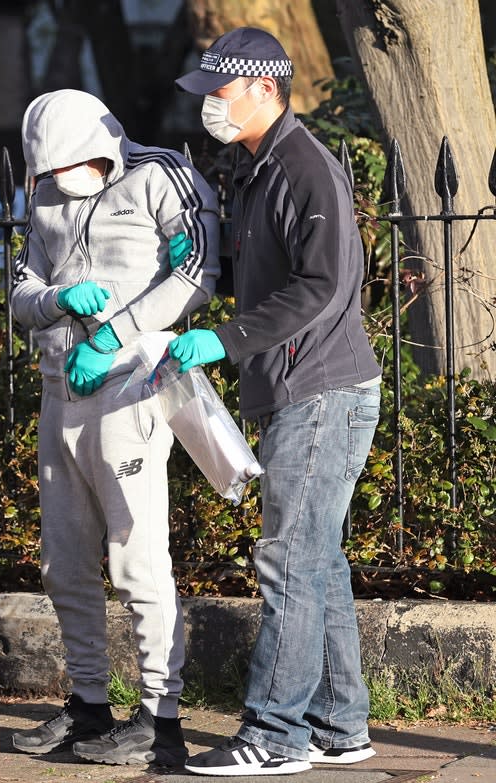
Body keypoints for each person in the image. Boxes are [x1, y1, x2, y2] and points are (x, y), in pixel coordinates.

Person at [170, 27, 382, 776]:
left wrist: (223, 339)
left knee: (289, 561)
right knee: (315, 560)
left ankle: (275, 734)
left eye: (219, 93)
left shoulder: (303, 165)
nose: (209, 108)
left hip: (321, 389)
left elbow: (322, 284)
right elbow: (271, 274)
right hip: (309, 388)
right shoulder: (258, 167)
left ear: (265, 88)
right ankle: (338, 725)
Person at [9, 89, 219, 766]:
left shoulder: (160, 175)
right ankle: (89, 705)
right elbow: (19, 290)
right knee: (63, 560)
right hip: (58, 385)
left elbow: (196, 272)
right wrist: (55, 301)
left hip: (129, 386)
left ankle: (161, 716)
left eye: (71, 170)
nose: (59, 187)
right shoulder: (41, 193)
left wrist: (117, 332)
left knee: (137, 555)